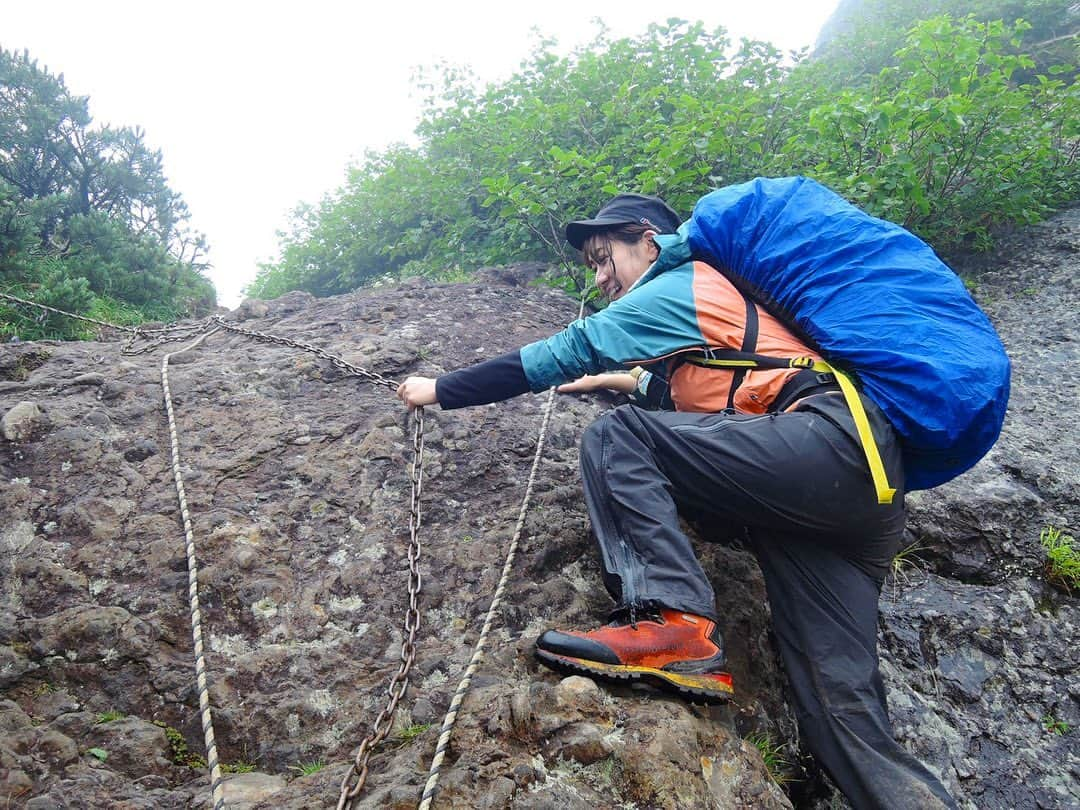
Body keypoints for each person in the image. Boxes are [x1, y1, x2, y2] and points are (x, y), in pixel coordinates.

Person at [396, 191, 957, 809]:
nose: (600, 276)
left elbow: (566, 352)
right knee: (839, 709)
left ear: (648, 240)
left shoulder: (680, 282)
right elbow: (701, 389)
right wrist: (621, 379)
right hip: (854, 493)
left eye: (603, 255)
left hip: (827, 440)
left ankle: (675, 624)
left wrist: (440, 389)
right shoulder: (705, 316)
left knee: (618, 436)